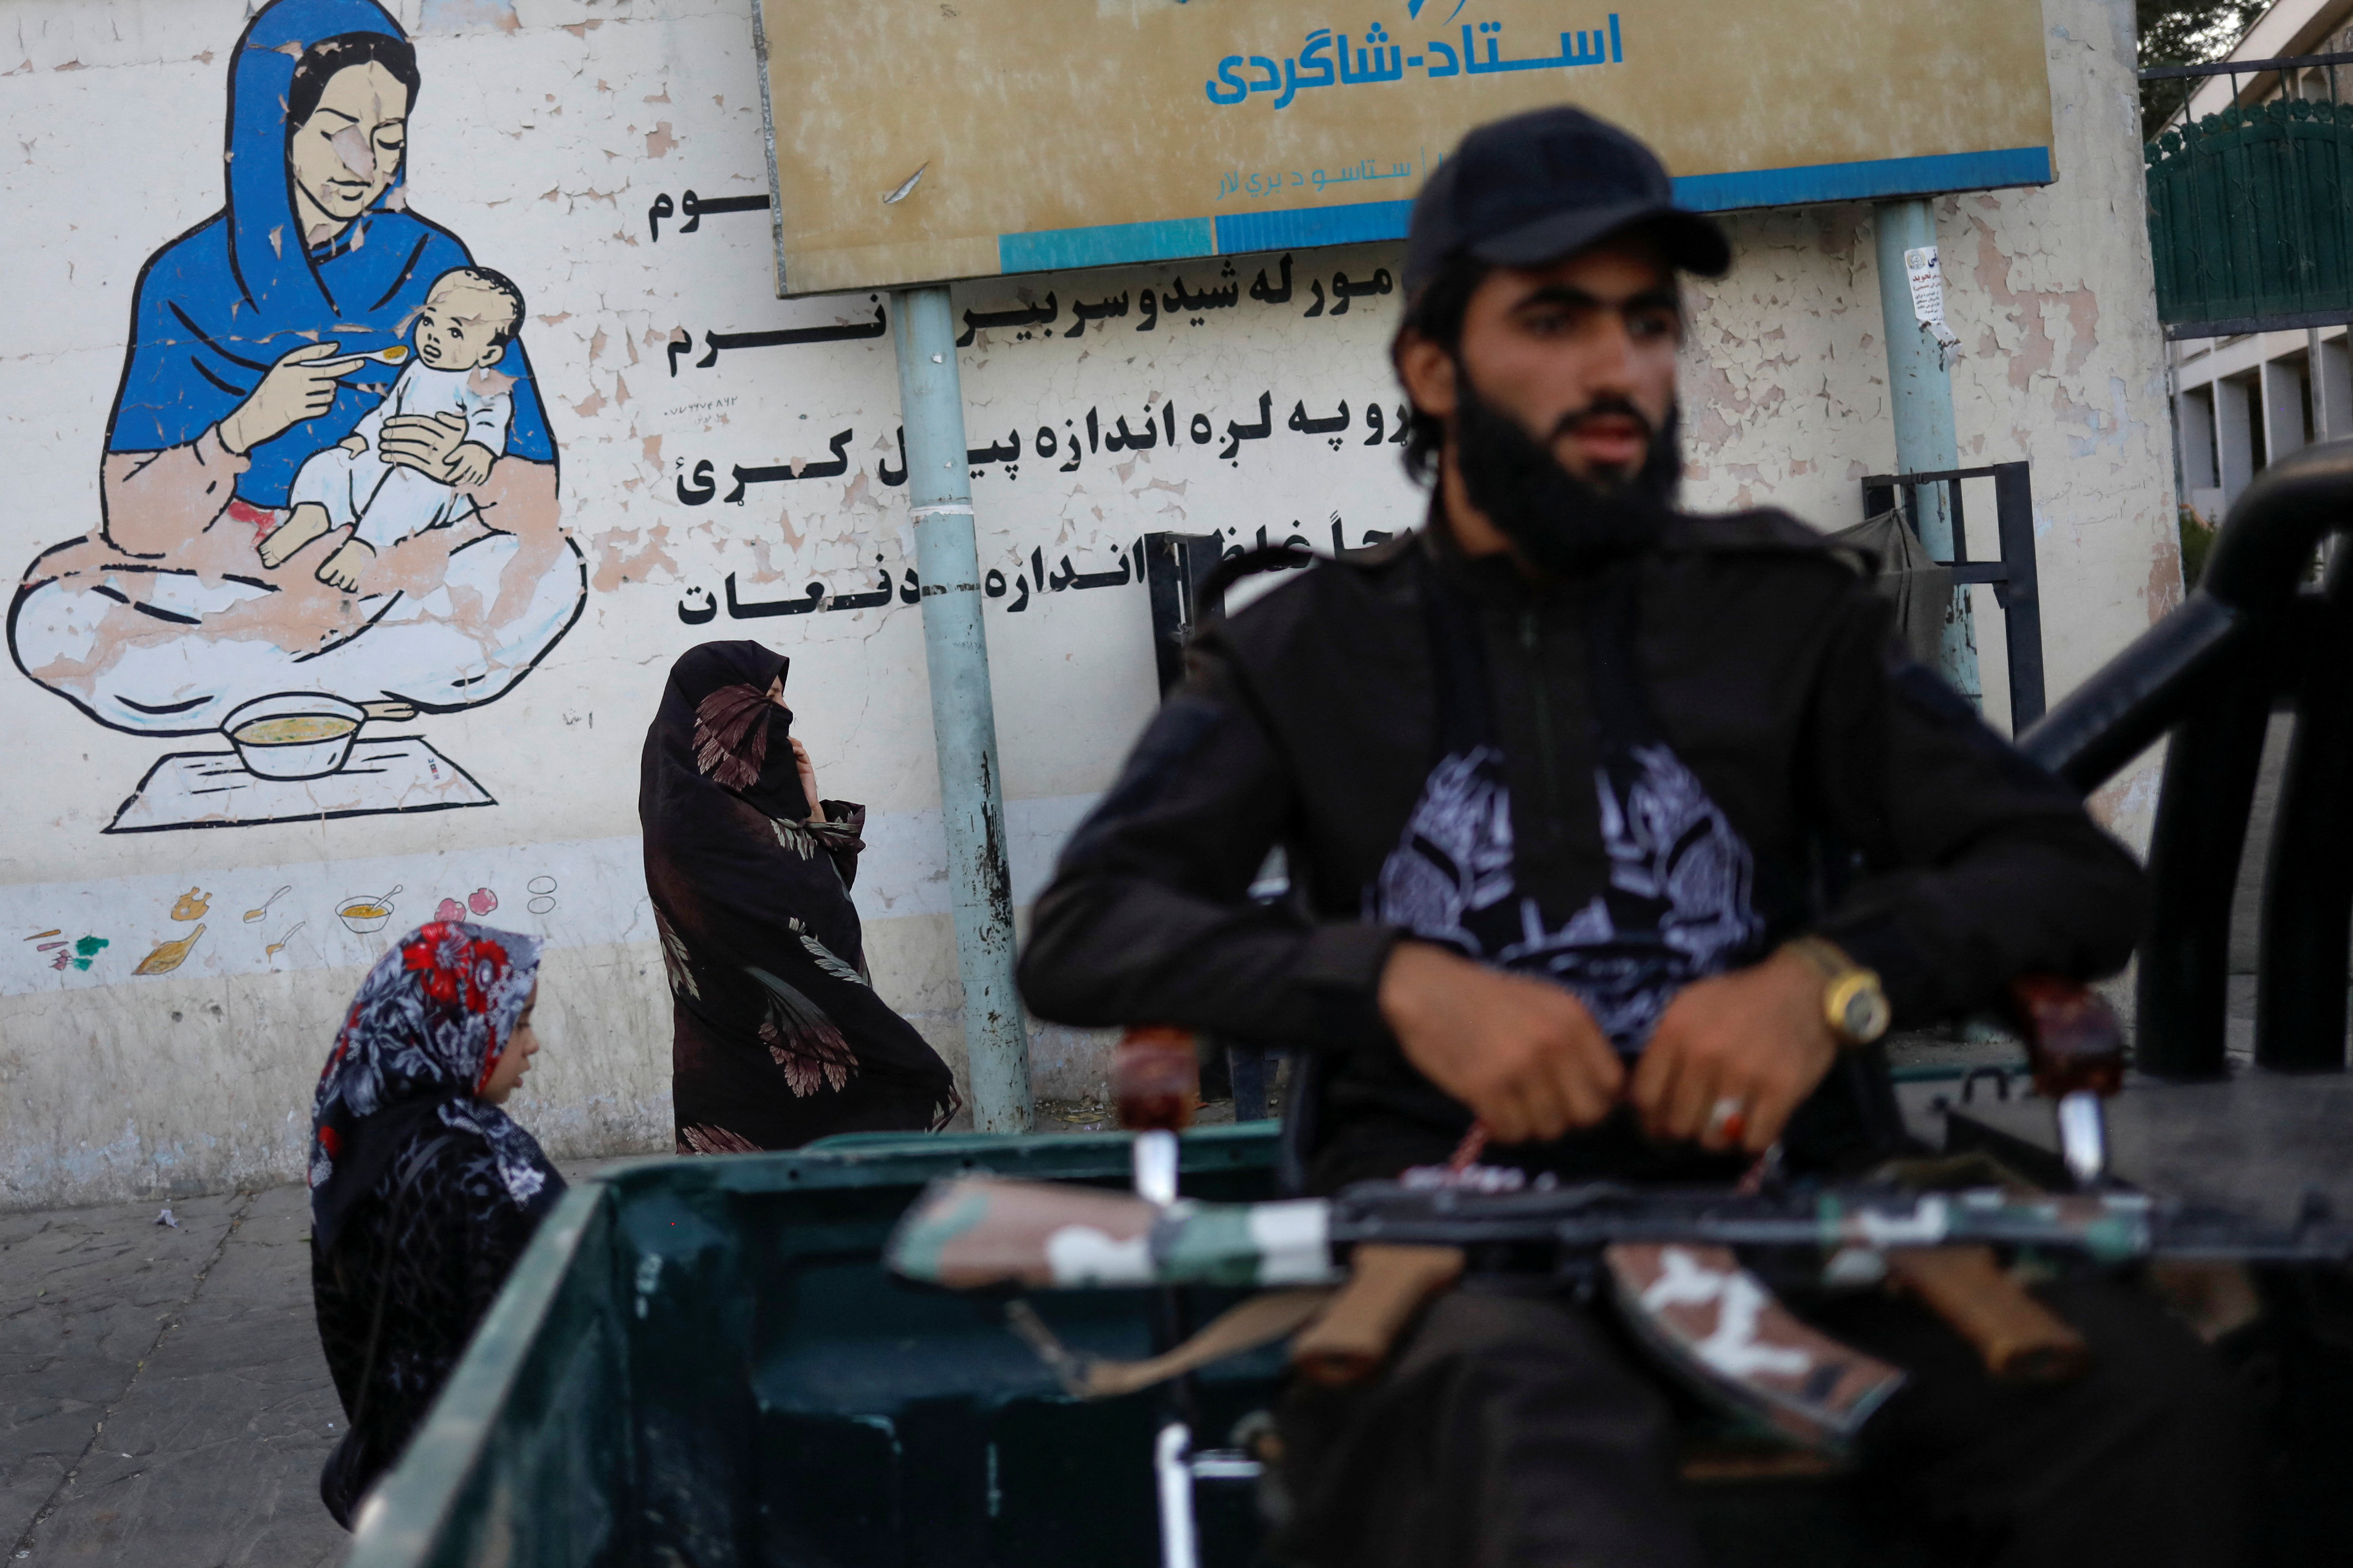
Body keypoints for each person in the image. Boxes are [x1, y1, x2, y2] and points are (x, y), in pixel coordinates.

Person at [1017, 107, 2256, 1567]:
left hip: (1802, 1221)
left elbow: (2064, 876)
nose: (1617, 367)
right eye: (1553, 320)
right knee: (1549, 1487)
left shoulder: (1779, 614)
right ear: (1430, 366)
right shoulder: (1302, 654)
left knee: (2142, 1410)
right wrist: (1394, 984)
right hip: (1449, 1261)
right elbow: (1088, 925)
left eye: (1647, 321)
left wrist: (1826, 982)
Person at [10, 0, 584, 741]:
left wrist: (464, 467)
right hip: (232, 575)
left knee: (552, 571)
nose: (365, 163)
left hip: (385, 568)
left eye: (387, 137)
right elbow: (134, 524)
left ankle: (277, 675)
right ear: (273, 129)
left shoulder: (435, 266)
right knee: (54, 619)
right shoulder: (183, 278)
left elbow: (534, 501)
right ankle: (340, 671)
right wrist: (249, 423)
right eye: (338, 132)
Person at [641, 640, 960, 1153]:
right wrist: (890, 1045)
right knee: (768, 1195)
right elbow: (783, 931)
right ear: (722, 708)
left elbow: (824, 897)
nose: (784, 710)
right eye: (769, 696)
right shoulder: (695, 823)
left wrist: (809, 810)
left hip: (811, 1064)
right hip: (751, 1065)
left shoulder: (748, 804)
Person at [308, 920, 562, 1529]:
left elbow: (346, 1328)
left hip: (410, 1462)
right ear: (454, 1025)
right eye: (518, 1022)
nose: (532, 1045)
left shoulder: (356, 1140)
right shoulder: (478, 1170)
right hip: (494, 1487)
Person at [265, 266, 528, 589]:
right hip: (383, 465)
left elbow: (489, 423)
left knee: (408, 489)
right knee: (331, 464)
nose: (434, 335)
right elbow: (387, 411)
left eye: (455, 332)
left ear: (488, 352)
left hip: (430, 484)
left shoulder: (483, 386)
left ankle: (364, 548)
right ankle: (312, 514)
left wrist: (478, 450)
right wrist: (362, 439)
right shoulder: (416, 370)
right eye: (429, 321)